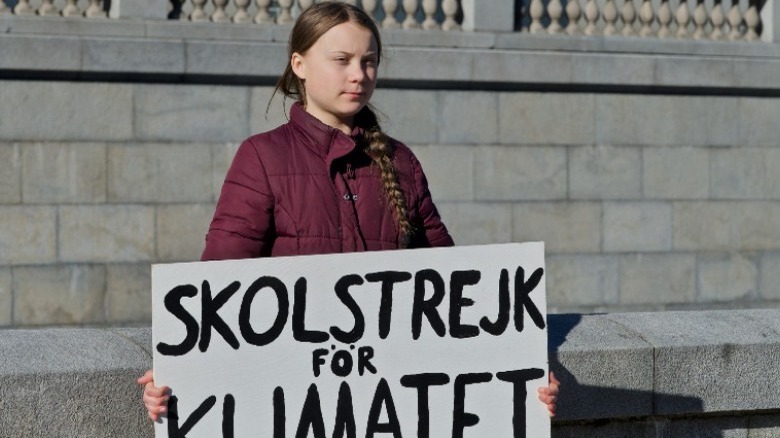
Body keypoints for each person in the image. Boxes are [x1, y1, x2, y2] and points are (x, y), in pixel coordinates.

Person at [138, 0, 558, 422]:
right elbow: (218, 288)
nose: (359, 74)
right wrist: (179, 373)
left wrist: (520, 376)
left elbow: (457, 295)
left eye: (369, 61)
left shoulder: (402, 164)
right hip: (294, 408)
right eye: (341, 60)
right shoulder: (261, 158)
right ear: (299, 64)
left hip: (388, 409)